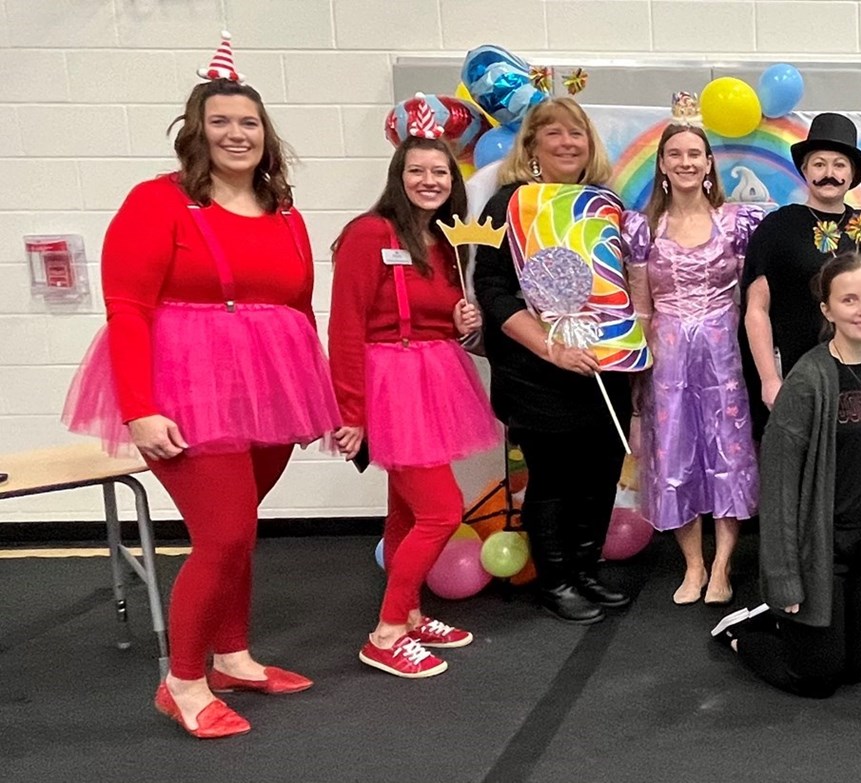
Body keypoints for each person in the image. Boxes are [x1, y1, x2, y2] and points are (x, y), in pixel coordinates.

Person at [61, 34, 337, 738]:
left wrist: (321, 393)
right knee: (224, 535)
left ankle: (234, 655)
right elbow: (126, 309)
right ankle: (181, 681)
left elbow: (301, 311)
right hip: (186, 393)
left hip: (270, 393)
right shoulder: (158, 202)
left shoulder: (285, 211)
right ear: (196, 129)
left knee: (240, 536)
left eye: (248, 122)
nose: (236, 133)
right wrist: (141, 408)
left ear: (265, 134)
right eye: (220, 121)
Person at [329, 129, 499, 678]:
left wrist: (459, 322)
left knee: (405, 510)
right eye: (417, 171)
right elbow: (347, 325)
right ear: (398, 179)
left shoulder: (446, 243)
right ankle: (385, 633)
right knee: (442, 510)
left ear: (453, 183)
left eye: (441, 173)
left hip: (434, 377)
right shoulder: (369, 233)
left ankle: (409, 611)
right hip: (389, 385)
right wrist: (349, 411)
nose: (430, 181)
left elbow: (437, 314)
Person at [472, 96, 632, 625]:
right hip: (538, 371)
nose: (568, 143)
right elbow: (494, 291)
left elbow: (622, 283)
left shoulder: (605, 204)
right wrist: (550, 348)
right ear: (533, 145)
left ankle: (585, 568)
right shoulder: (510, 205)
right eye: (555, 134)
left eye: (577, 134)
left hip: (602, 365)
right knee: (555, 476)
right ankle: (555, 578)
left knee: (603, 471)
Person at [714, 251, 861, 698]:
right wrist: (783, 578)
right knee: (818, 679)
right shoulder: (808, 380)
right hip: (821, 552)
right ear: (827, 310)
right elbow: (778, 487)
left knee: (858, 669)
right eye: (849, 300)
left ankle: (796, 628)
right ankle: (745, 631)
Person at [626, 94, 766, 606]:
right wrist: (638, 367)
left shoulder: (738, 222)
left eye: (695, 154)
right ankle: (693, 563)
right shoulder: (641, 228)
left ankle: (724, 565)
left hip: (724, 352)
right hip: (667, 356)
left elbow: (755, 298)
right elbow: (642, 306)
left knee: (726, 452)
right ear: (662, 164)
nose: (686, 163)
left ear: (709, 163)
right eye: (675, 154)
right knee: (675, 454)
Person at [742, 112, 861, 434]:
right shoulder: (778, 227)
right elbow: (756, 309)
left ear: (851, 175)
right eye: (819, 164)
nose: (829, 174)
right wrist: (769, 379)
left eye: (839, 165)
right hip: (797, 378)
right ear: (805, 170)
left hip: (860, 381)